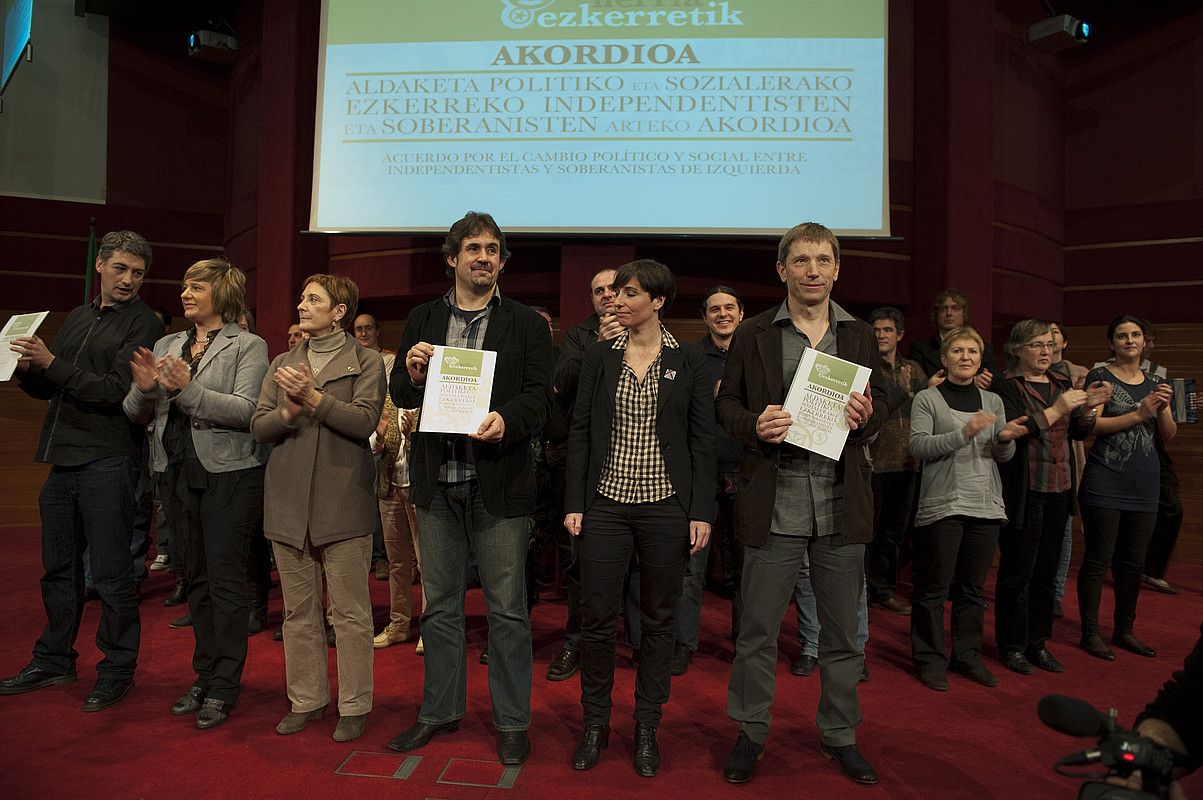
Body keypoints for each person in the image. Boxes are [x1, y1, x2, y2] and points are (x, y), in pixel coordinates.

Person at [717, 222, 888, 786]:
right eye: (802, 261)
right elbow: (729, 408)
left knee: (843, 637)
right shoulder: (754, 333)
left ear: (837, 269)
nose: (813, 271)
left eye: (823, 260)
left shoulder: (859, 336)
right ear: (782, 270)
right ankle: (750, 731)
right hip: (776, 499)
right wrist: (754, 425)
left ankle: (840, 735)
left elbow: (883, 403)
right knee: (758, 632)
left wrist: (867, 420)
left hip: (842, 502)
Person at [388, 212, 551, 766]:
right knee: (440, 608)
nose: (484, 257)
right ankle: (439, 710)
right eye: (474, 249)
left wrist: (507, 418)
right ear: (452, 257)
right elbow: (402, 396)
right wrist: (411, 374)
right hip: (438, 485)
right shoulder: (423, 317)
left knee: (507, 609)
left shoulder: (527, 323)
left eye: (494, 250)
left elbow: (540, 398)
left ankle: (511, 720)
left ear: (503, 261)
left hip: (499, 483)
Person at [562, 260, 716, 777]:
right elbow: (580, 430)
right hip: (605, 503)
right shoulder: (600, 355)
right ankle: (595, 723)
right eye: (616, 293)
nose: (617, 300)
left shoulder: (689, 359)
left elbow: (701, 441)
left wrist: (699, 511)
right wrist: (575, 502)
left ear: (658, 301)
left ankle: (647, 725)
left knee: (658, 622)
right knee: (598, 620)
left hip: (665, 506)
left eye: (630, 293)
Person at [0, 231, 163, 711]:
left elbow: (115, 390)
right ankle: (54, 660)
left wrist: (53, 364)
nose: (128, 279)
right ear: (100, 266)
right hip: (61, 460)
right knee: (59, 570)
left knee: (112, 576)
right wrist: (30, 368)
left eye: (137, 272)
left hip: (108, 460)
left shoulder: (144, 324)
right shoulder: (77, 317)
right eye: (120, 269)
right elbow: (53, 388)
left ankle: (117, 669)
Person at [123, 259, 269, 728]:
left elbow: (247, 410)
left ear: (221, 294)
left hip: (229, 474)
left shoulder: (248, 345)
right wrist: (146, 390)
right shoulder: (169, 343)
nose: (185, 293)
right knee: (199, 581)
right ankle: (204, 675)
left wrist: (185, 389)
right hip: (175, 472)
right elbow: (136, 410)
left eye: (197, 286)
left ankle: (225, 686)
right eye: (184, 285)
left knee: (226, 584)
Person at [252, 273, 385, 743]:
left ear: (339, 310)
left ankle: (354, 704)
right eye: (302, 297)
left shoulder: (367, 361)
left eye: (314, 299)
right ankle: (306, 699)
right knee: (298, 611)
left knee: (349, 613)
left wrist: (313, 399)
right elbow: (259, 425)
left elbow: (365, 420)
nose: (302, 305)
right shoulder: (282, 362)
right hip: (287, 502)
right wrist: (287, 412)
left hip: (342, 501)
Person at [908, 326, 1026, 691]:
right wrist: (965, 433)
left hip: (985, 505)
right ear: (945, 358)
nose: (965, 357)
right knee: (933, 589)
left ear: (980, 358)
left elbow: (1001, 456)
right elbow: (918, 448)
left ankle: (967, 655)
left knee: (972, 590)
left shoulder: (992, 402)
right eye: (957, 351)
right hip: (942, 505)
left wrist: (1005, 440)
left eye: (972, 351)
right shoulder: (927, 399)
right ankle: (930, 660)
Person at [992, 319, 1104, 675]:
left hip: (1059, 486)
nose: (1045, 351)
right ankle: (1011, 646)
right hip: (1024, 490)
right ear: (1017, 350)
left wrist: (1088, 409)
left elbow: (1078, 432)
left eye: (1048, 345)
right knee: (1017, 573)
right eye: (1036, 345)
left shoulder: (1061, 383)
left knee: (1047, 571)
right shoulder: (1005, 384)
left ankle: (1037, 644)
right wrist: (1059, 409)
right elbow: (1013, 431)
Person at [1077, 316, 1175, 661]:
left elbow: (1167, 434)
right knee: (1098, 560)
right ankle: (1090, 633)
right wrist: (1139, 412)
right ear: (1112, 343)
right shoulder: (1100, 377)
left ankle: (1124, 630)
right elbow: (1092, 426)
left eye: (1135, 335)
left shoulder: (1156, 380)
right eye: (1122, 335)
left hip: (1145, 483)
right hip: (1105, 479)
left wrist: (1160, 409)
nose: (1130, 340)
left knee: (1133, 564)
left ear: (1144, 341)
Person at [545, 267, 621, 682]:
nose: (607, 296)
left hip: (637, 463)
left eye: (614, 288)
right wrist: (600, 344)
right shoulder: (578, 335)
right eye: (598, 291)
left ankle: (632, 641)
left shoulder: (649, 333)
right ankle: (575, 642)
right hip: (585, 465)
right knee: (578, 562)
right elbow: (563, 382)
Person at [677, 285, 745, 670]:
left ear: (740, 313)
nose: (722, 314)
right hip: (700, 477)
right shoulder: (690, 358)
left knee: (745, 570)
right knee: (691, 568)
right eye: (714, 309)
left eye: (729, 308)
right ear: (705, 317)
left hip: (745, 472)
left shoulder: (753, 355)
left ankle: (743, 645)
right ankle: (684, 644)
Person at [865, 306, 927, 615]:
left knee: (895, 534)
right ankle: (863, 591)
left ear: (899, 335)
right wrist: (903, 393)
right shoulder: (865, 370)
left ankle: (885, 590)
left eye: (887, 330)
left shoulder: (913, 369)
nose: (881, 336)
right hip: (874, 464)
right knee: (870, 532)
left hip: (908, 463)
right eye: (876, 330)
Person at [372, 395, 422, 650]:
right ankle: (399, 625)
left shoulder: (429, 398)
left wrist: (413, 436)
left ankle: (430, 628)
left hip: (419, 490)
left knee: (427, 564)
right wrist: (379, 437)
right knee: (397, 563)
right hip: (390, 488)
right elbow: (373, 446)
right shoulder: (389, 399)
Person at [1047, 321, 1089, 618]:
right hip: (1035, 458)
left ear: (1064, 342)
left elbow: (1083, 424)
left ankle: (1056, 591)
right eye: (1042, 337)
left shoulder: (1078, 375)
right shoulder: (1020, 374)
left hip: (1066, 456)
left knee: (1063, 528)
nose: (1048, 341)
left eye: (1054, 335)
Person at [353, 312, 395, 582]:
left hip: (381, 434)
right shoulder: (349, 360)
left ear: (377, 331)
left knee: (379, 500)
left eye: (369, 328)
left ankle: (380, 557)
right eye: (359, 329)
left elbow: (386, 399)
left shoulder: (388, 359)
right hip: (356, 433)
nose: (364, 334)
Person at [908, 289, 995, 387]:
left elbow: (995, 383)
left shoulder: (985, 348)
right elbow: (914, 385)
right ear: (937, 315)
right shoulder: (920, 348)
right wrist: (928, 386)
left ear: (964, 314)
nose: (949, 313)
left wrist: (986, 381)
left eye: (955, 308)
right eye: (943, 309)